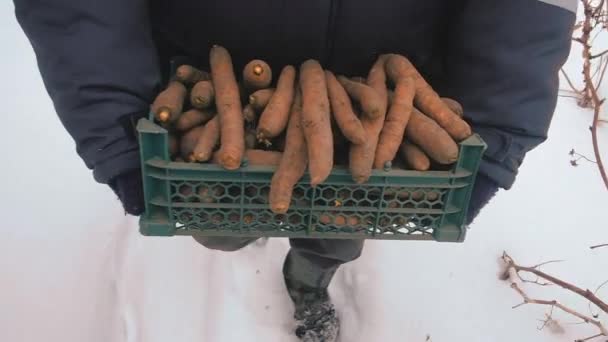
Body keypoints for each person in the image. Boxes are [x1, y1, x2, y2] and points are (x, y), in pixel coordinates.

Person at [14, 0, 576, 340]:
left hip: (371, 106)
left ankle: (310, 278)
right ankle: (240, 232)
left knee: (341, 223)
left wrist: (498, 126)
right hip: (205, 89)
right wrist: (112, 123)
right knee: (219, 215)